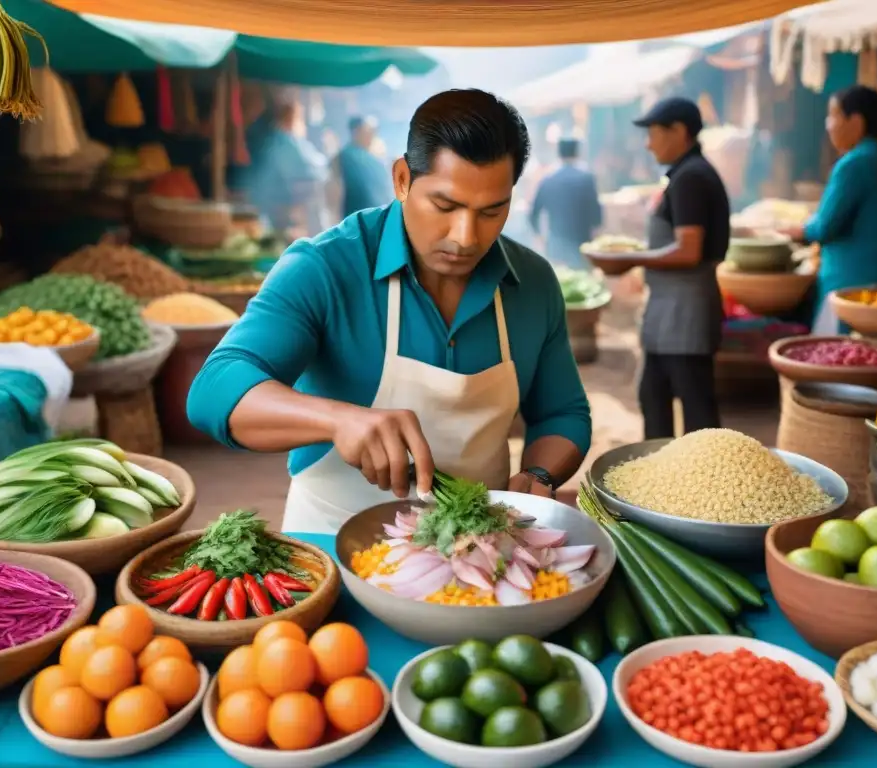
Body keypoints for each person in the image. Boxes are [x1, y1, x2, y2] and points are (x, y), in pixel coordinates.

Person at [187, 89, 592, 534]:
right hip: (333, 539)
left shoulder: (531, 284)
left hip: (480, 546)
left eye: (492, 211)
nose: (465, 237)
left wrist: (538, 475)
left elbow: (562, 413)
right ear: (402, 179)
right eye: (445, 205)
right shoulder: (325, 267)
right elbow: (213, 390)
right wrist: (338, 419)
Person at [584, 97, 730, 440]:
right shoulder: (685, 173)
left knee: (698, 414)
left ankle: (705, 483)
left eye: (652, 133)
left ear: (678, 131)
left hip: (685, 315)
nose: (648, 144)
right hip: (671, 316)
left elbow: (688, 250)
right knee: (653, 396)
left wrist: (628, 259)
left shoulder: (691, 177)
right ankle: (657, 478)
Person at [781, 85, 877, 334]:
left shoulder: (853, 164)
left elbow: (824, 227)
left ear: (856, 122)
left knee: (838, 365)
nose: (828, 124)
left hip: (851, 291)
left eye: (833, 115)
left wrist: (794, 230)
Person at [253, 101, 329, 236]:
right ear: (291, 117)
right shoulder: (285, 140)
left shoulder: (279, 139)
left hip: (277, 200)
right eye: (299, 117)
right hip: (281, 200)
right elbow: (315, 168)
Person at [529, 138, 603, 268]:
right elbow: (597, 214)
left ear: (559, 153)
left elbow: (533, 213)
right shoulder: (586, 178)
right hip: (582, 243)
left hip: (555, 245)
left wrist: (540, 237)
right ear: (577, 153)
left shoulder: (548, 179)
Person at [330, 116, 394, 218]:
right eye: (367, 130)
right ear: (357, 131)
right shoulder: (344, 157)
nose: (371, 135)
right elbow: (334, 191)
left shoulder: (374, 158)